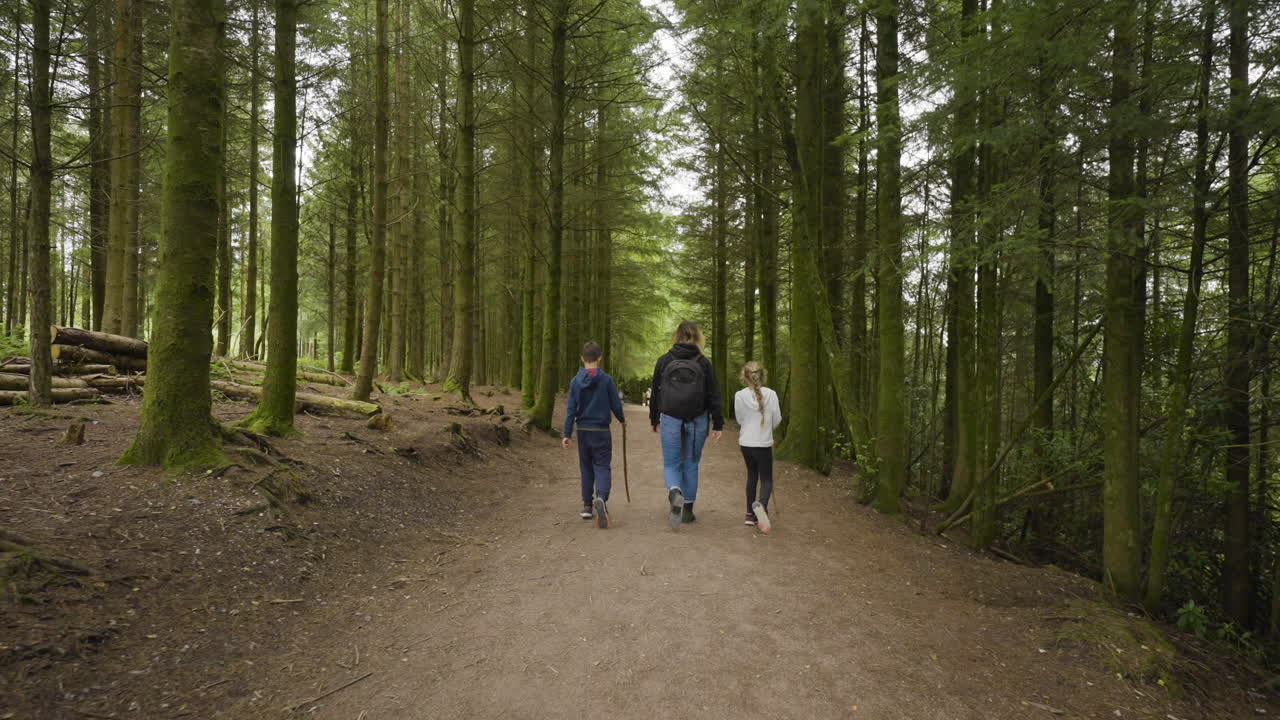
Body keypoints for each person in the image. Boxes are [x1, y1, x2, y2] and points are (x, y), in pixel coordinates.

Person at [648, 321, 723, 531]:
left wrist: (654, 419)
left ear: (676, 336)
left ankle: (674, 492)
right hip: (697, 420)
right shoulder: (704, 363)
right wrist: (718, 423)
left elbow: (656, 392)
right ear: (698, 337)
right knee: (691, 464)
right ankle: (688, 511)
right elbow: (713, 395)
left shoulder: (664, 361)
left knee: (672, 463)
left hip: (670, 418)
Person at [562, 341, 626, 529]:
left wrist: (567, 433)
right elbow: (615, 404)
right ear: (600, 358)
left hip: (583, 431)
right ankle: (601, 498)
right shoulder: (606, 380)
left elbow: (571, 409)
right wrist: (622, 419)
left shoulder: (575, 381)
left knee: (586, 467)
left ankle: (588, 506)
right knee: (602, 466)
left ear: (582, 358)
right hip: (601, 431)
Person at [735, 361, 781, 533]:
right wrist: (767, 427)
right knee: (766, 478)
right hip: (763, 443)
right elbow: (777, 419)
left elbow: (739, 419)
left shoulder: (739, 395)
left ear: (745, 376)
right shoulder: (772, 394)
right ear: (763, 375)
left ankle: (749, 514)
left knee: (751, 476)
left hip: (746, 443)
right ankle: (761, 505)